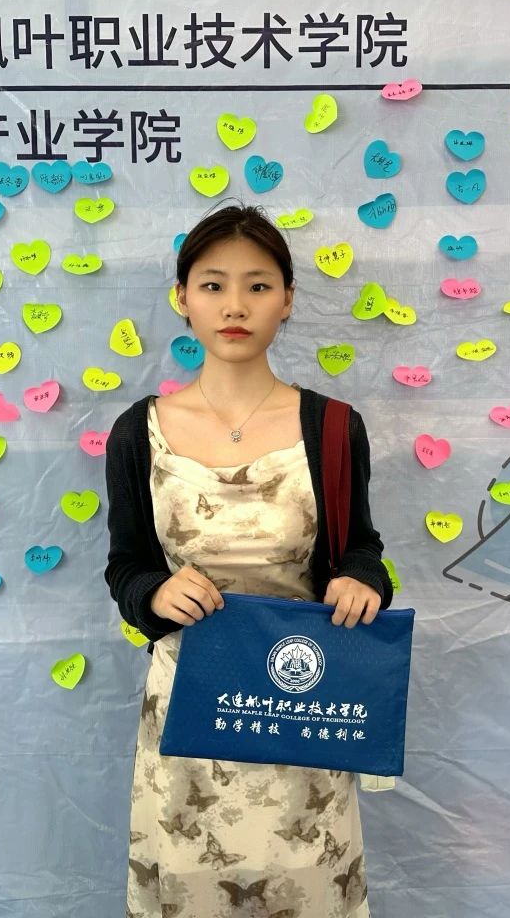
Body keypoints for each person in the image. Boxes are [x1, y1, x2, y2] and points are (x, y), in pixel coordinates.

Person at [104, 202, 394, 917]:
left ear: (287, 299)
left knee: (308, 888)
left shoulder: (333, 428)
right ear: (183, 298)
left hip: (304, 705)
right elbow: (126, 565)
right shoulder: (139, 432)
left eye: (258, 286)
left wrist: (362, 580)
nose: (235, 305)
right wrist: (153, 595)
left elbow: (362, 546)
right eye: (213, 285)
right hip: (189, 716)